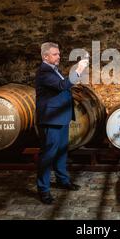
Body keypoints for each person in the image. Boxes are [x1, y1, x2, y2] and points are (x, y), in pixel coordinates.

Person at [35, 42, 89, 205]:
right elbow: (62, 85)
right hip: (51, 119)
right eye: (55, 54)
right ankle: (43, 189)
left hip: (61, 117)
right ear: (45, 56)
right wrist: (78, 69)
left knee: (61, 152)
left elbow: (63, 87)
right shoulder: (44, 72)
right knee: (48, 154)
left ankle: (62, 180)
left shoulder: (54, 70)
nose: (59, 56)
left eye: (59, 54)